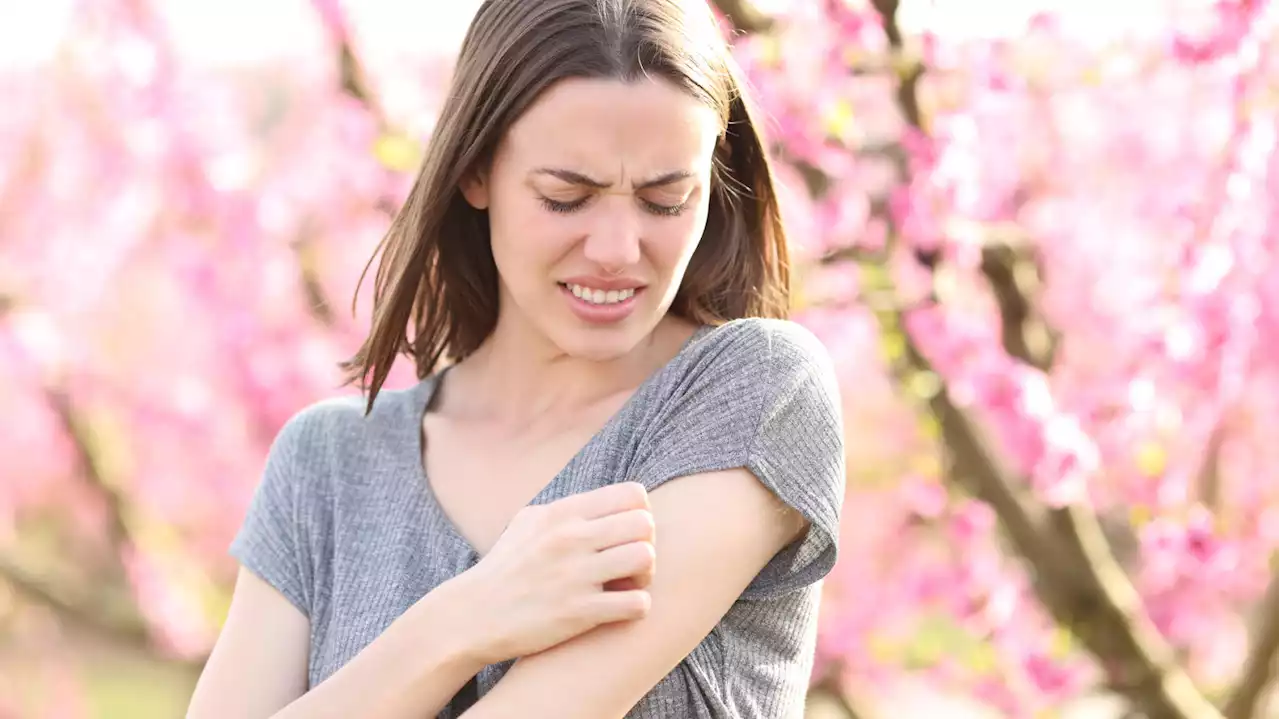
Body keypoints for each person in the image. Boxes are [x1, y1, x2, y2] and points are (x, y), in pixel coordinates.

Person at [186, 0, 846, 716]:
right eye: (567, 197)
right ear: (476, 171)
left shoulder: (754, 394)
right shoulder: (328, 466)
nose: (619, 249)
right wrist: (462, 620)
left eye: (665, 201)